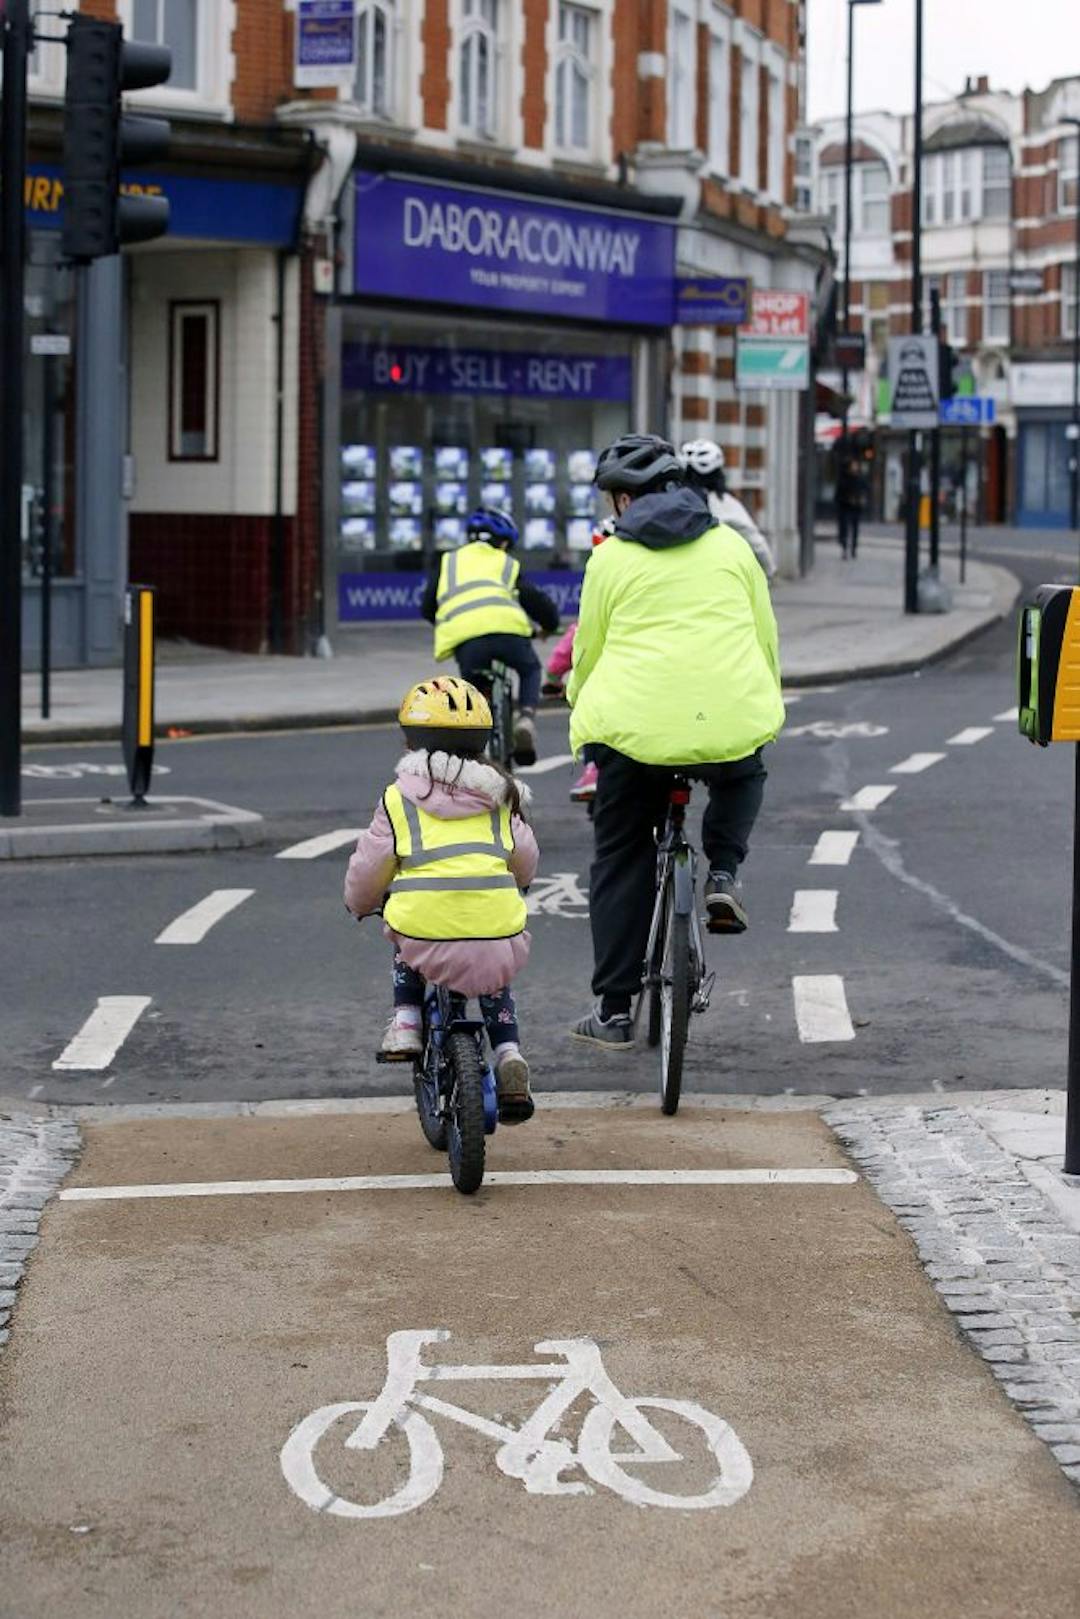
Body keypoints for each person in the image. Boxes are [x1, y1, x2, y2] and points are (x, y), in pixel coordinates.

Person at [566, 433, 784, 1049]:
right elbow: (765, 640)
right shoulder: (732, 548)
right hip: (727, 719)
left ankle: (612, 1010)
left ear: (627, 498)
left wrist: (581, 709)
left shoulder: (609, 559)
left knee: (618, 855)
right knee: (745, 771)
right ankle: (723, 876)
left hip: (633, 735)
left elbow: (589, 651)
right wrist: (761, 704)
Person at [343, 675, 539, 1123]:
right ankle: (509, 1051)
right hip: (496, 925)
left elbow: (371, 866)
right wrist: (516, 877)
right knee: (493, 971)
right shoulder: (501, 797)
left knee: (405, 932)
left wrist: (359, 902)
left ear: (410, 742)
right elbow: (525, 860)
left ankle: (408, 1023)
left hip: (424, 928)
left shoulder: (398, 800)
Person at [421, 508, 559, 765]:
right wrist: (549, 626)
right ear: (504, 542)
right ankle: (526, 718)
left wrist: (452, 623)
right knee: (529, 669)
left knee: (474, 688)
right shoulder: (505, 562)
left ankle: (478, 738)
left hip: (467, 639)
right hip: (509, 633)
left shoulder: (448, 561)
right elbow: (534, 599)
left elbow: (427, 607)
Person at [541, 518, 615, 803]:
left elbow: (577, 637)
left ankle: (593, 768)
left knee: (590, 714)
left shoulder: (597, 581)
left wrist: (553, 678)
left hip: (605, 679)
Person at [679, 440, 777, 580]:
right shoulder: (723, 503)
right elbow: (755, 542)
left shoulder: (671, 500)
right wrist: (769, 570)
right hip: (714, 577)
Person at [834, 433, 870, 560]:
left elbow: (865, 489)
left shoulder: (859, 478)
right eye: (853, 465)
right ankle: (845, 547)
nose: (855, 467)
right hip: (845, 506)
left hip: (856, 507)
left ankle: (853, 548)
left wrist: (862, 499)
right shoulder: (844, 478)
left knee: (855, 529)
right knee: (845, 528)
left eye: (856, 465)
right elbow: (839, 493)